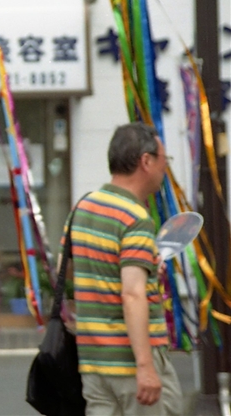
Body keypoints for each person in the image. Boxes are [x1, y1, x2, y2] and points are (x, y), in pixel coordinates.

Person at [69, 122, 182, 415]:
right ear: (146, 161)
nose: (165, 168)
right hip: (131, 363)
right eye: (164, 159)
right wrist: (145, 366)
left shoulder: (83, 208)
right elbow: (132, 294)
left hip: (93, 362)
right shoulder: (135, 218)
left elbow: (66, 271)